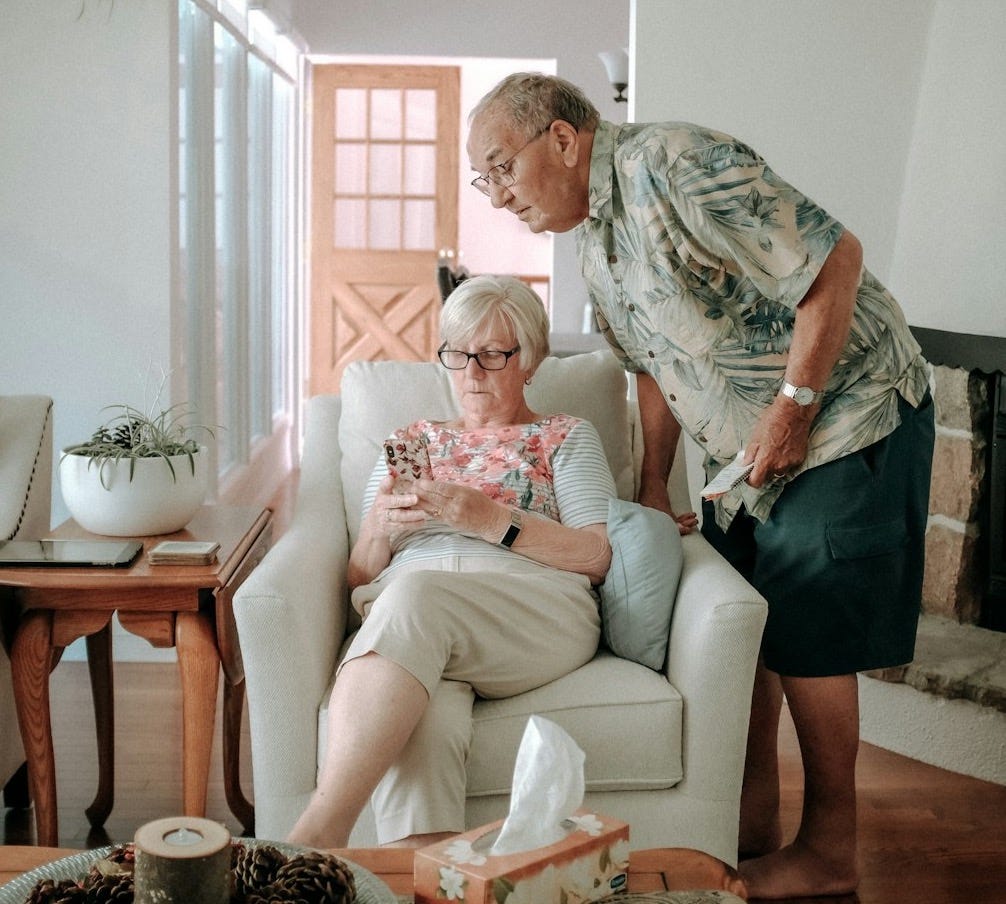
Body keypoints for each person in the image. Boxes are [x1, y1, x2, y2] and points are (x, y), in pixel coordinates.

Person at [467, 73, 935, 900]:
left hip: (845, 412)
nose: (498, 194)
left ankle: (831, 849)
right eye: (485, 180)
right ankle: (749, 825)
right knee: (744, 623)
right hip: (743, 451)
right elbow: (653, 364)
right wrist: (653, 479)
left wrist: (793, 408)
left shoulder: (675, 163)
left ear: (565, 140)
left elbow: (837, 260)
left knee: (811, 624)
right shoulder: (590, 238)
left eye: (501, 168)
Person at [287, 274, 617, 849]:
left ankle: (316, 836)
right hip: (416, 615)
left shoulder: (564, 435)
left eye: (492, 355)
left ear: (531, 360)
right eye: (458, 354)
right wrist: (379, 527)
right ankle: (429, 879)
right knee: (426, 714)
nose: (471, 373)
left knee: (417, 599)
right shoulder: (412, 442)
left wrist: (491, 520)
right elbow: (361, 577)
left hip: (533, 612)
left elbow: (596, 555)